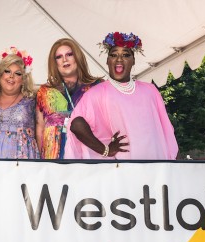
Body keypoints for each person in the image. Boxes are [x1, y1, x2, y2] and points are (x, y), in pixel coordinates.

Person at [65, 32, 178, 160]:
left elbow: (167, 131)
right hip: (121, 169)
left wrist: (173, 163)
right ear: (108, 61)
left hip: (154, 165)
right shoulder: (97, 93)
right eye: (114, 55)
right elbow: (76, 124)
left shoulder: (150, 91)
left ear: (133, 60)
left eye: (125, 55)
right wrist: (105, 150)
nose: (119, 59)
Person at [36, 38, 103, 159]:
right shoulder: (44, 91)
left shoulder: (97, 86)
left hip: (88, 154)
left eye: (69, 54)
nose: (64, 59)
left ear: (77, 57)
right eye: (59, 57)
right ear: (54, 63)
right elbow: (40, 127)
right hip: (54, 156)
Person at [0, 47, 40, 159]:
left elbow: (42, 131)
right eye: (7, 71)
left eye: (17, 73)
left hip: (22, 165)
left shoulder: (33, 100)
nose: (11, 76)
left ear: (23, 79)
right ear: (0, 74)